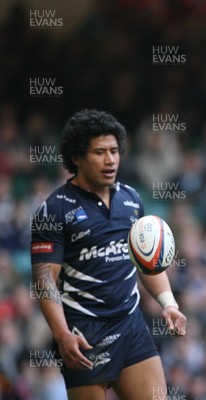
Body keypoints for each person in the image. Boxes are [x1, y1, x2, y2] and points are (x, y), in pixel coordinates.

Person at [30, 109, 187, 400]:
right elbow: (44, 280)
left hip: (130, 324)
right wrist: (62, 334)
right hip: (84, 333)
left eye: (114, 151)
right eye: (99, 152)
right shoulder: (54, 210)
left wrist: (168, 303)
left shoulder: (131, 199)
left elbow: (148, 262)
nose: (110, 159)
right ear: (77, 157)